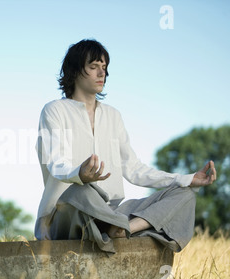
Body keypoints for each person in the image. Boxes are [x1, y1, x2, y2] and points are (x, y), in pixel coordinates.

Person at [35, 39, 217, 252]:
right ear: (74, 71)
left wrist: (185, 179)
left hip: (111, 213)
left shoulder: (113, 116)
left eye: (104, 68)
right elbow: (55, 162)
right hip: (68, 211)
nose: (101, 74)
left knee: (184, 194)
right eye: (93, 67)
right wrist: (79, 174)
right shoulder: (54, 110)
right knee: (81, 191)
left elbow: (134, 169)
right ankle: (118, 227)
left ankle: (123, 228)